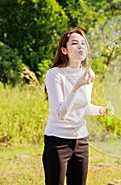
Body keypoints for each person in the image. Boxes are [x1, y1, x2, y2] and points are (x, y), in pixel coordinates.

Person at [43, 27, 107, 185]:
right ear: (64, 50)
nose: (80, 46)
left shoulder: (88, 73)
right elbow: (61, 113)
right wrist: (77, 86)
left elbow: (82, 106)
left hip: (81, 142)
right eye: (74, 43)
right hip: (57, 141)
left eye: (83, 43)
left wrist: (101, 110)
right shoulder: (54, 74)